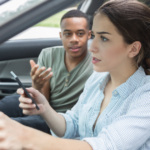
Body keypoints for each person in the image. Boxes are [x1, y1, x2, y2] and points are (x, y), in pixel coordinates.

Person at [0, 0, 150, 149]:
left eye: (104, 38)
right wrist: (44, 108)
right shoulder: (97, 79)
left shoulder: (145, 96)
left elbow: (106, 145)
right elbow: (73, 123)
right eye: (94, 36)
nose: (93, 47)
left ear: (133, 49)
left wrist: (26, 137)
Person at [0, 10, 92, 133]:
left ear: (89, 35)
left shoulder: (97, 62)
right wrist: (37, 85)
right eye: (68, 34)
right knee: (5, 103)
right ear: (61, 36)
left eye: (80, 34)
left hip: (62, 119)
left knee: (9, 126)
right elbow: (43, 101)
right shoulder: (48, 54)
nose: (74, 39)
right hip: (42, 104)